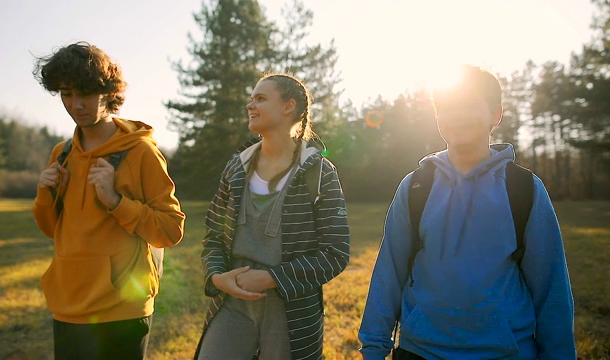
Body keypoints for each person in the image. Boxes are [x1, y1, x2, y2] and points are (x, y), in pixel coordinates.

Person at [358, 65, 575, 359]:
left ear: (496, 114)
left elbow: (551, 287)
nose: (455, 116)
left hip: (503, 352)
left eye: (469, 105)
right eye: (445, 108)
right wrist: (373, 347)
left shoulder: (523, 189)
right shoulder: (416, 186)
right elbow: (389, 271)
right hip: (420, 351)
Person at [31, 42, 185, 359]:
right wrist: (45, 195)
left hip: (122, 308)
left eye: (84, 93)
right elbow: (52, 230)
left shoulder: (140, 152)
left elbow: (170, 230)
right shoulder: (61, 154)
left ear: (107, 92)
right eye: (66, 93)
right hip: (69, 305)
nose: (75, 105)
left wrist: (116, 201)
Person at [195, 73, 350, 360]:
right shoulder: (235, 168)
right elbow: (214, 237)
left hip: (291, 311)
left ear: (288, 106)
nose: (250, 105)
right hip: (232, 303)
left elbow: (335, 252)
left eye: (261, 99)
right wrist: (217, 278)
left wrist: (271, 278)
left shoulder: (319, 173)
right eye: (251, 98)